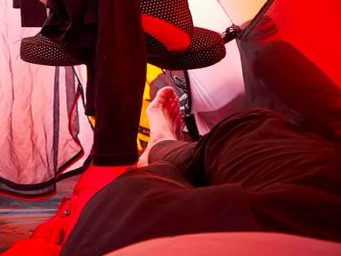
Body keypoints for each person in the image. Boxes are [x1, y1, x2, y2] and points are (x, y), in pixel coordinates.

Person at [61, 86, 341, 255]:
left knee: (138, 189)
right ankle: (164, 146)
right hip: (318, 221)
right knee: (247, 126)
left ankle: (162, 148)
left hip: (136, 242)